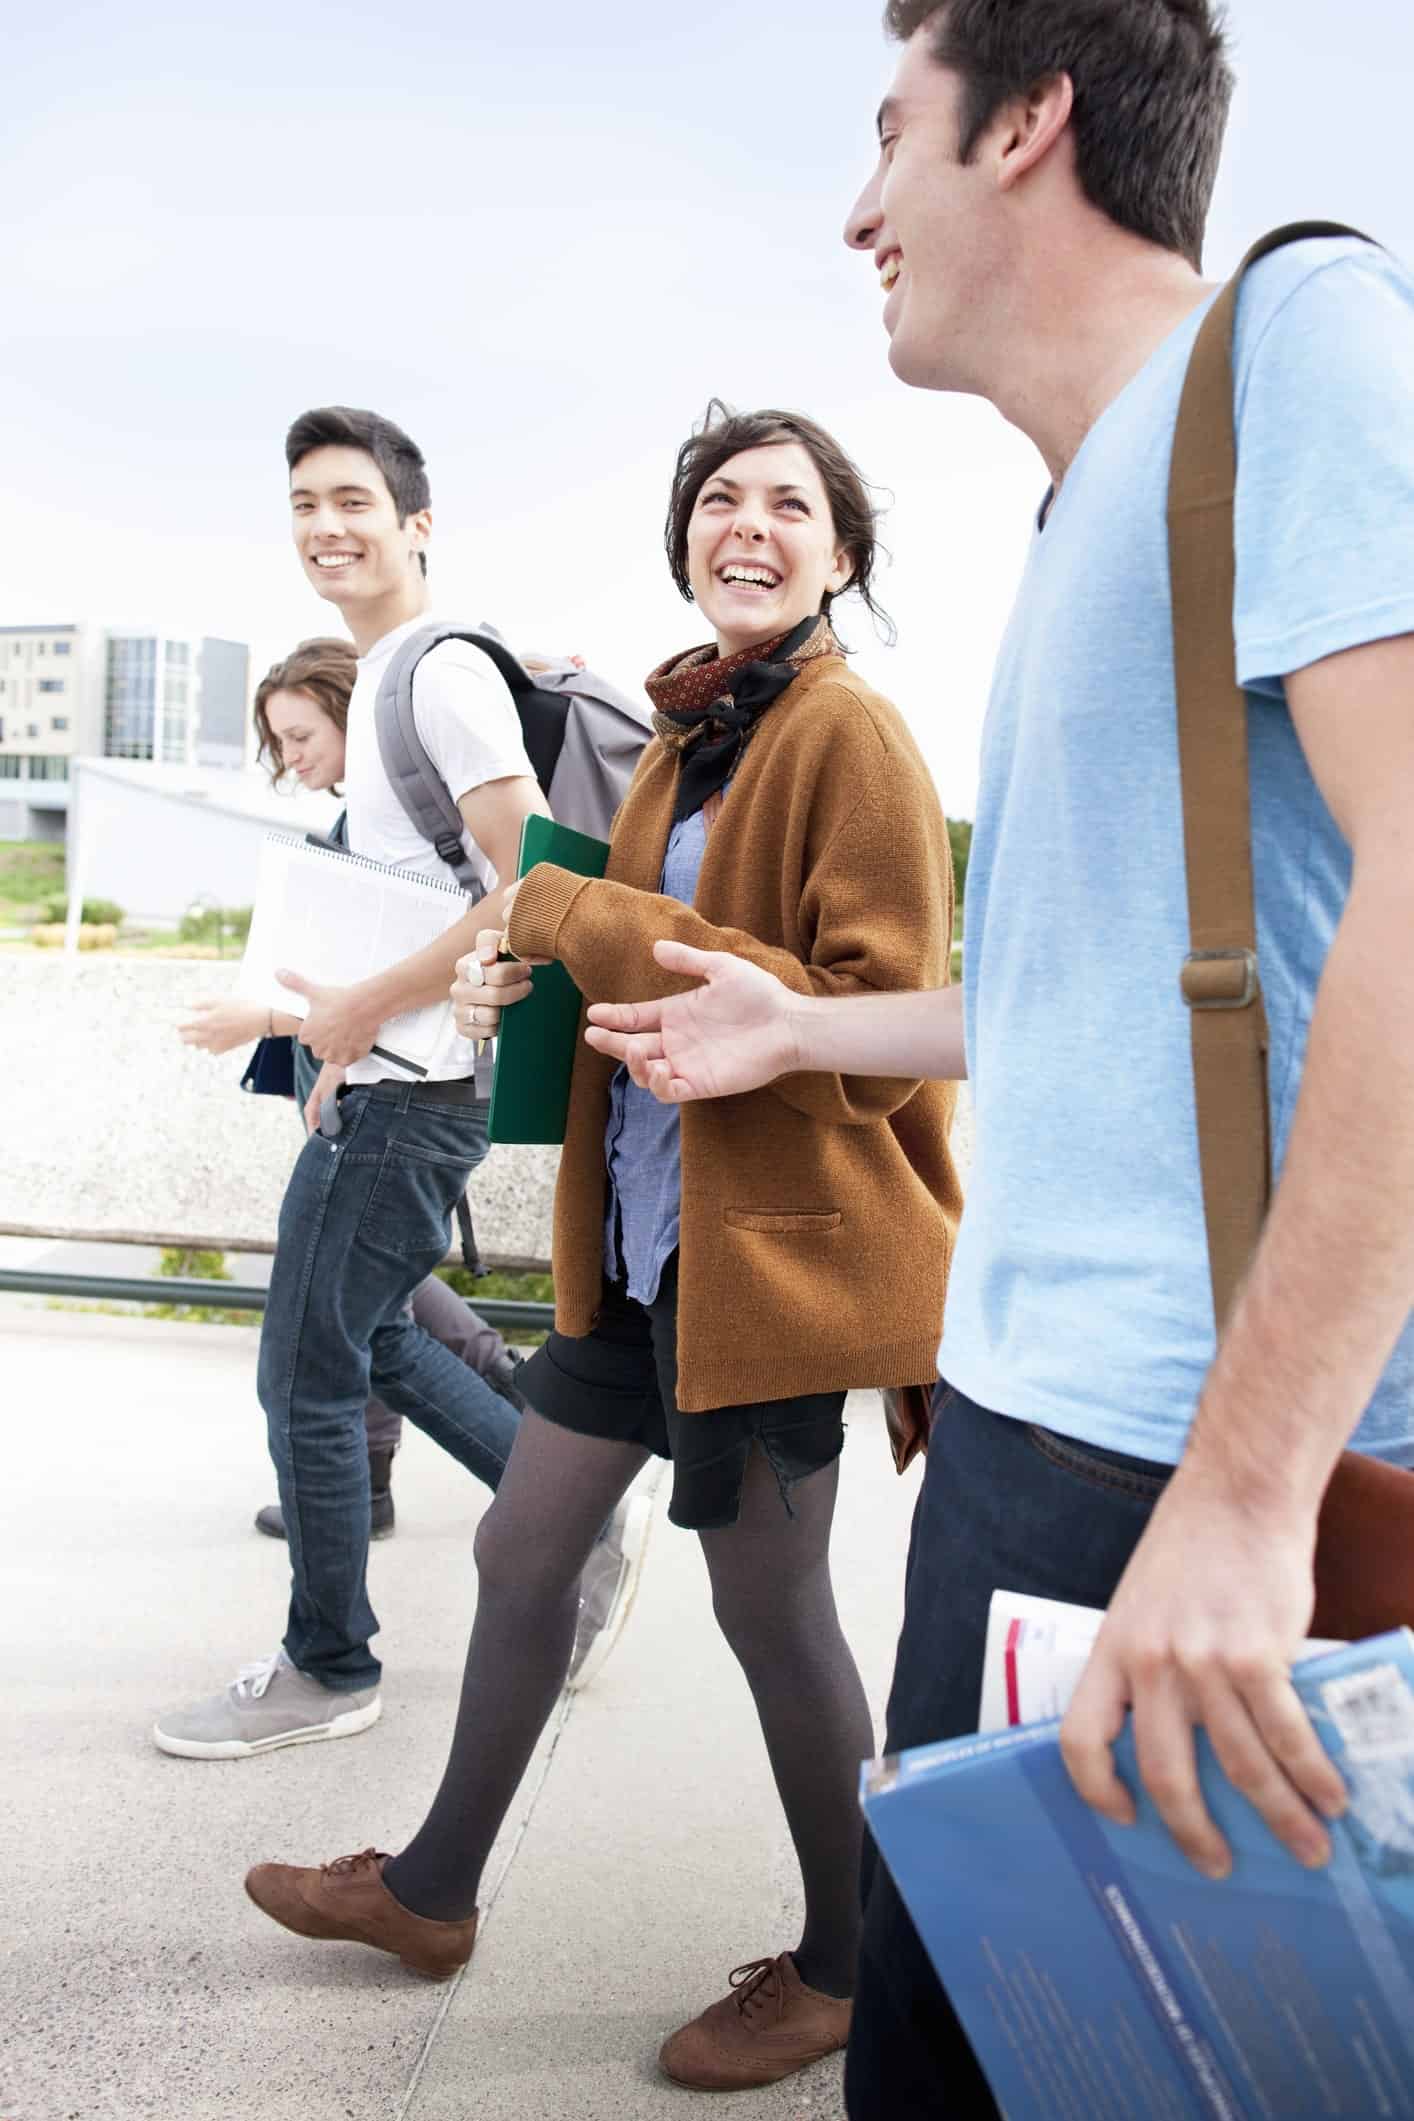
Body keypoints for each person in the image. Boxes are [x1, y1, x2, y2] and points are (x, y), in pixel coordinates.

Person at [581, 6, 1414, 2115]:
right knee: (966, 2069)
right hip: (1024, 1431)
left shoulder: (1295, 338)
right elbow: (1090, 987)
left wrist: (1238, 1498)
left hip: (1197, 1470)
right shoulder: (1082, 507)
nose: (859, 203)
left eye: (893, 132)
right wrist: (798, 1022)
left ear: (1032, 118)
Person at [242, 401, 964, 2093]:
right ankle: (431, 1890)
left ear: (836, 553)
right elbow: (637, 965)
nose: (749, 523)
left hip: (767, 1267)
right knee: (520, 1554)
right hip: (642, 1255)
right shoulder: (687, 739)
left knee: (771, 1617)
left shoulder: (850, 735)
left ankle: (847, 1965)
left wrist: (564, 910)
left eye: (789, 504)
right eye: (720, 498)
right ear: (686, 540)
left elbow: (863, 1015)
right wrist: (523, 967)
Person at [154, 407, 647, 1760]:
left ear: (415, 523)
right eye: (305, 502)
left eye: (354, 501)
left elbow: (526, 878)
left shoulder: (431, 673)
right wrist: (343, 1037)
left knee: (303, 1376)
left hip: (412, 1091)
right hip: (389, 1084)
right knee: (363, 1339)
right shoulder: (384, 682)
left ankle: (329, 1663)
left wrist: (367, 1010)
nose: (327, 526)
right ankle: (577, 1523)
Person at [178, 637, 529, 1545]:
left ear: (352, 711)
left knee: (351, 1333)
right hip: (386, 1095)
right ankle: (415, 1476)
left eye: (300, 736)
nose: (291, 759)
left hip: (404, 1098)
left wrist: (262, 1022)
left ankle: (556, 1502)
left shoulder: (402, 829)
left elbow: (378, 996)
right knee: (368, 1319)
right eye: (279, 745)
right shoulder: (369, 835)